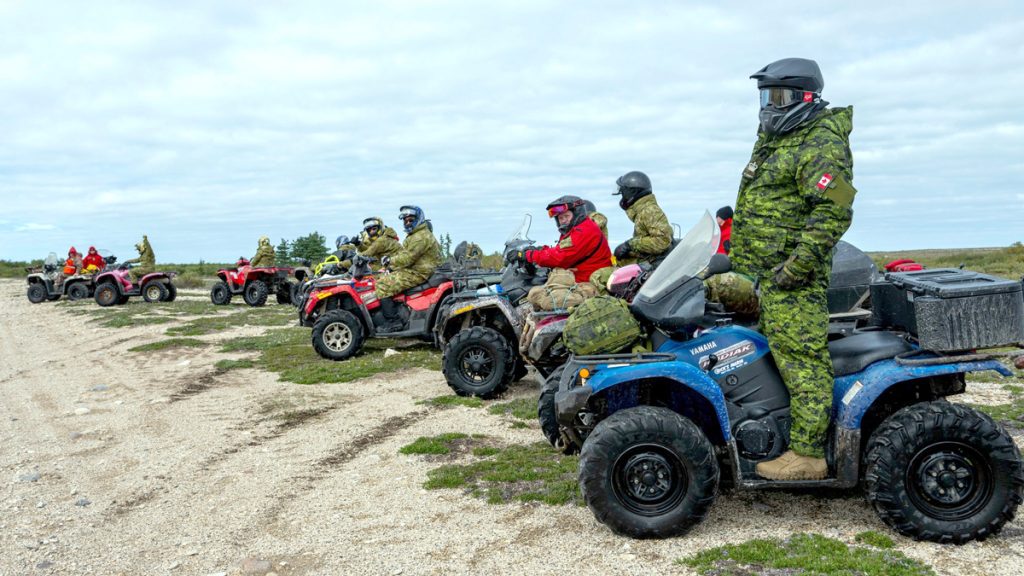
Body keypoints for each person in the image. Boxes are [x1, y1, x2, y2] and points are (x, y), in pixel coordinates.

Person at [731, 57, 856, 481]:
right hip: (762, 277)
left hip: (792, 282)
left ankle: (808, 455)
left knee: (802, 360)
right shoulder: (776, 139)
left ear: (806, 98)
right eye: (766, 97)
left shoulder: (821, 141)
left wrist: (795, 269)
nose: (770, 105)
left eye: (779, 97)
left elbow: (835, 210)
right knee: (768, 358)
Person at [509, 195, 612, 283]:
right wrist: (539, 250)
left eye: (567, 216)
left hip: (589, 281)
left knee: (540, 295)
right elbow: (561, 250)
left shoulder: (583, 230)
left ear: (577, 214)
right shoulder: (575, 230)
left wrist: (528, 255)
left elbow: (560, 257)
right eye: (560, 218)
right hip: (582, 277)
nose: (563, 220)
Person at [375, 206, 442, 332]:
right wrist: (391, 267)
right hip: (415, 269)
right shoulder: (415, 235)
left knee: (382, 285)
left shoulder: (420, 236)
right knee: (380, 277)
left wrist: (390, 261)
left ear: (419, 219)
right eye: (405, 221)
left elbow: (408, 258)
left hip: (419, 272)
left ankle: (393, 322)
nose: (407, 223)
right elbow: (405, 255)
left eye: (411, 220)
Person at [611, 171, 673, 267]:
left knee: (599, 274)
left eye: (623, 193)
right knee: (611, 262)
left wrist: (629, 245)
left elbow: (662, 241)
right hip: (643, 261)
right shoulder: (642, 212)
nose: (622, 197)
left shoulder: (650, 211)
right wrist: (628, 250)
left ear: (631, 193)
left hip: (649, 265)